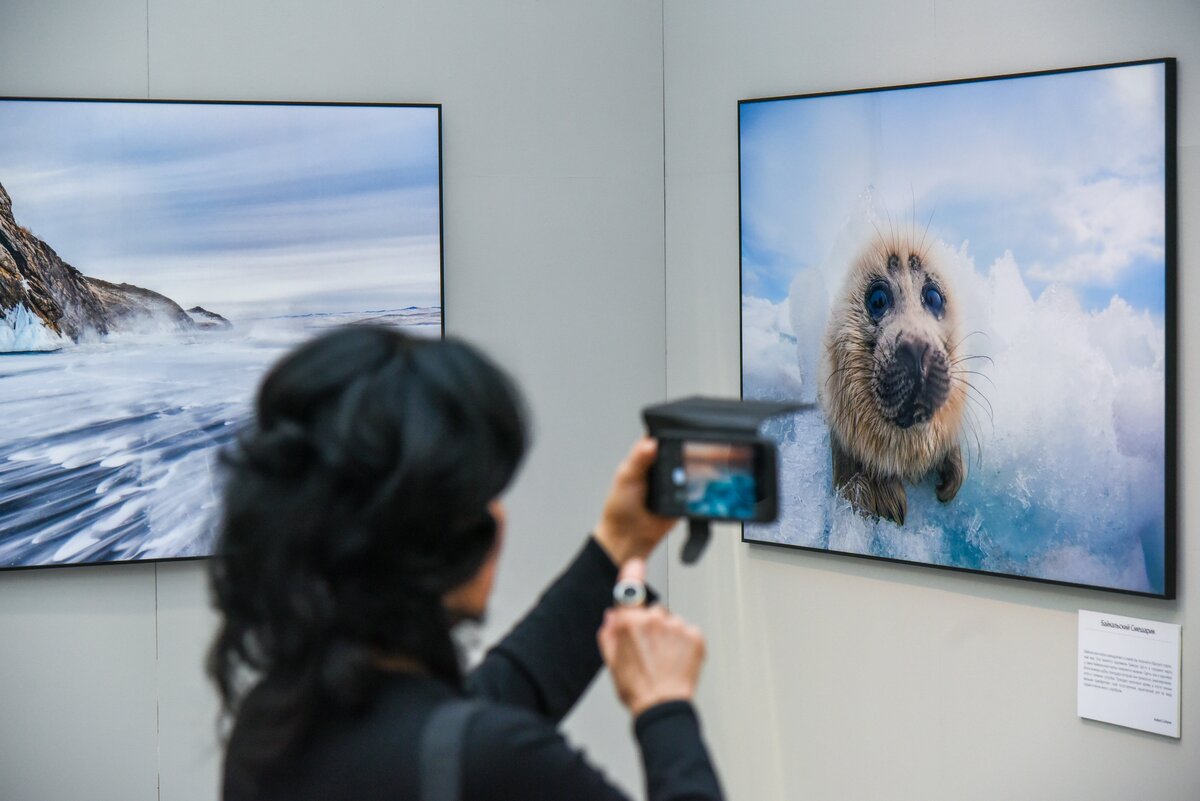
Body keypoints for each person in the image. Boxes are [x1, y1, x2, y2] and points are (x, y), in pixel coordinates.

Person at [208, 326, 725, 801]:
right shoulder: (494, 762)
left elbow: (474, 713)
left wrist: (618, 544)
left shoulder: (271, 726)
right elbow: (480, 741)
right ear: (442, 540)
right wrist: (664, 706)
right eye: (483, 498)